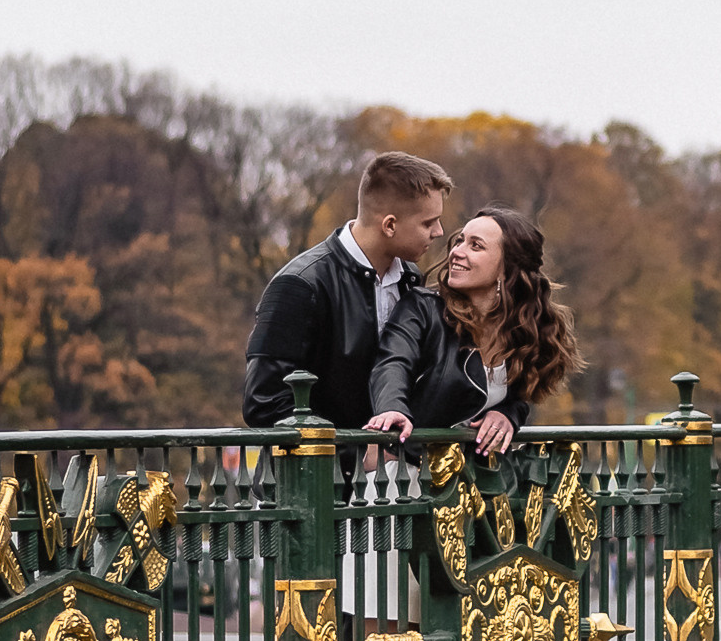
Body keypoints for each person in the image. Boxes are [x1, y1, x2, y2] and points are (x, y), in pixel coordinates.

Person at [241, 151, 453, 431]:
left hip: (392, 469)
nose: (439, 231)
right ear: (389, 225)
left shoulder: (411, 279)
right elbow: (263, 403)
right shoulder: (300, 284)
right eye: (428, 222)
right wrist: (354, 454)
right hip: (318, 471)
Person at [363, 207, 580, 453]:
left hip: (464, 480)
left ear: (506, 268)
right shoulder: (423, 308)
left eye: (475, 246)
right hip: (402, 471)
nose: (456, 252)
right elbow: (393, 362)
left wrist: (507, 414)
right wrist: (392, 408)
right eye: (459, 241)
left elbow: (517, 394)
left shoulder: (522, 331)